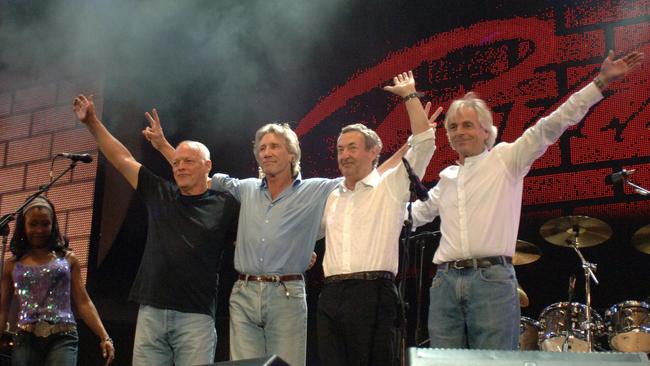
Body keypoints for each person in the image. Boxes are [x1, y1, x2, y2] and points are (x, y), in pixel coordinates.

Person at [142, 72, 424, 365]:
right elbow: (196, 174)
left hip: (287, 294)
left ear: (292, 154)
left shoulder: (319, 189)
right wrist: (164, 145)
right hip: (243, 294)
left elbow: (370, 176)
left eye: (274, 146)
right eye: (262, 148)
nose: (267, 152)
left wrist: (407, 149)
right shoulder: (245, 188)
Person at [409, 50, 644, 350]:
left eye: (467, 124)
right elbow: (411, 216)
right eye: (453, 127)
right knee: (443, 361)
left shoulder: (506, 159)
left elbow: (552, 124)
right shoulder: (447, 179)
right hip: (445, 283)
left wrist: (599, 82)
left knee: (496, 361)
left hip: (491, 280)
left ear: (485, 131)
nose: (459, 132)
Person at [72, 95, 239, 366]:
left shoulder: (226, 205)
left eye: (188, 162)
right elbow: (122, 158)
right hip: (151, 311)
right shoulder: (160, 192)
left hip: (196, 316)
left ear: (207, 166)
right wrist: (92, 122)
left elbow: (248, 239)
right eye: (176, 162)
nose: (180, 166)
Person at [317, 71, 438, 366]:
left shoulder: (390, 187)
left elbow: (423, 145)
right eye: (340, 149)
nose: (344, 155)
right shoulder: (332, 196)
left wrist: (409, 96)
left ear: (374, 152)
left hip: (373, 294)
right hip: (330, 295)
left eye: (352, 148)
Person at [0, 196, 115, 366]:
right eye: (33, 224)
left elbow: (83, 302)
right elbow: (2, 308)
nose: (39, 230)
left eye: (45, 224)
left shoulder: (68, 258)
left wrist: (104, 336)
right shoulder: (12, 263)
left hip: (63, 337)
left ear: (53, 225)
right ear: (23, 226)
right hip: (26, 338)